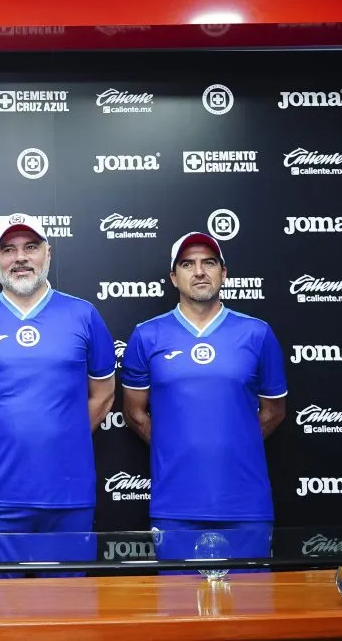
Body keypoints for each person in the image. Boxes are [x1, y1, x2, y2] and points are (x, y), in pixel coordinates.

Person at [0, 214, 115, 576]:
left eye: (31, 247)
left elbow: (103, 395)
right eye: (8, 249)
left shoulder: (83, 314)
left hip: (68, 495)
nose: (20, 257)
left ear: (48, 254)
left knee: (67, 616)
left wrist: (62, 435)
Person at [122, 232, 287, 568]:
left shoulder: (257, 333)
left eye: (208, 263)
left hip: (246, 504)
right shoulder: (147, 335)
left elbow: (274, 412)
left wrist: (235, 445)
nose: (199, 271)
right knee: (180, 613)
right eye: (187, 264)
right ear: (174, 277)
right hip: (175, 504)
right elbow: (135, 413)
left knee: (251, 617)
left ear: (223, 273)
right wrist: (177, 446)